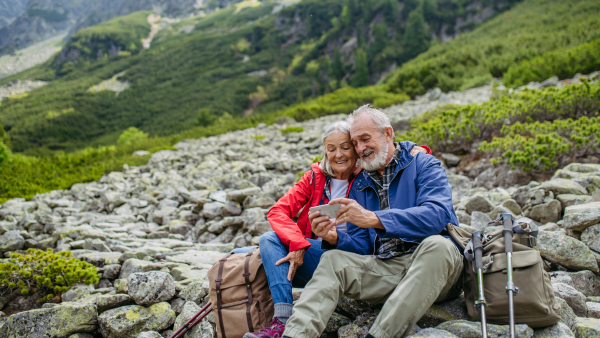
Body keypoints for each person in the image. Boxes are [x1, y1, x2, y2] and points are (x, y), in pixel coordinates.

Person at [281, 105, 463, 338]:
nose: (360, 148)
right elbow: (363, 247)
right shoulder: (360, 184)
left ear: (387, 133)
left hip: (436, 267)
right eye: (355, 142)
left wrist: (375, 218)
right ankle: (295, 334)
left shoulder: (424, 164)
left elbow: (438, 215)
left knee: (439, 245)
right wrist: (335, 238)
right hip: (388, 268)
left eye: (365, 139)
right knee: (333, 259)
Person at [240, 121, 430, 338]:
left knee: (265, 250)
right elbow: (277, 211)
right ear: (325, 152)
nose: (338, 154)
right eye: (331, 149)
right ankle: (282, 322)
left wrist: (415, 147)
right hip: (320, 252)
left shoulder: (367, 177)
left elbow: (391, 152)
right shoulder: (314, 177)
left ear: (356, 149)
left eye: (345, 147)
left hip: (356, 259)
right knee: (266, 242)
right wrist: (298, 243)